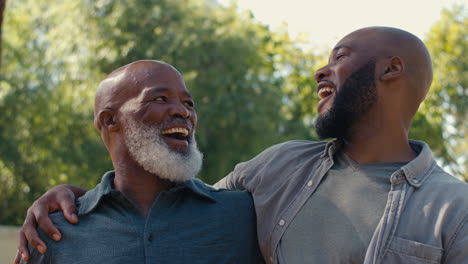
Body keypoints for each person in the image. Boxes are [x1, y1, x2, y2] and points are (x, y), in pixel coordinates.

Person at [16, 27, 468, 264]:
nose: (321, 71)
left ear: (391, 71)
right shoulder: (280, 167)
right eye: (161, 99)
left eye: (341, 57)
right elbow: (175, 198)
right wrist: (77, 196)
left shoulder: (455, 208)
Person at [16, 60, 263, 264]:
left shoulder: (244, 214)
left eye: (188, 103)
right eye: (160, 99)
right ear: (110, 120)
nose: (183, 112)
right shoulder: (52, 232)